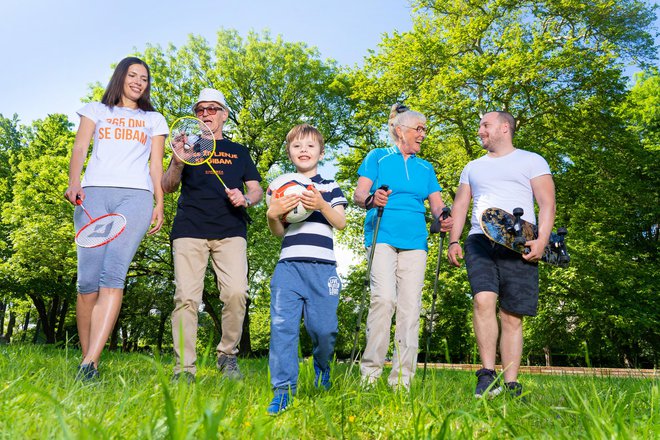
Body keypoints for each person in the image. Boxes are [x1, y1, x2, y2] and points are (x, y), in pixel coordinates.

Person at [64, 56, 167, 380]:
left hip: (135, 197)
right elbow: (80, 148)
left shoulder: (155, 120)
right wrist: (74, 181)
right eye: (133, 75)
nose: (139, 81)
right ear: (121, 77)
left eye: (145, 78)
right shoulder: (96, 110)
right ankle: (87, 358)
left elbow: (155, 167)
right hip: (93, 194)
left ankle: (89, 362)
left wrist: (159, 203)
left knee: (113, 275)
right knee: (87, 283)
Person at [447, 111, 556, 398]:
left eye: (486, 125)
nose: (480, 130)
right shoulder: (472, 167)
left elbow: (546, 204)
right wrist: (453, 240)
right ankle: (486, 375)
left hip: (520, 242)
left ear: (504, 127)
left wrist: (542, 240)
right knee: (483, 301)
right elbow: (460, 206)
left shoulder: (532, 160)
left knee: (511, 316)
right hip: (478, 240)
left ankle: (510, 384)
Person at [162, 88, 263, 382]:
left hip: (230, 231)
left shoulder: (239, 151)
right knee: (185, 298)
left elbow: (256, 190)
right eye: (200, 110)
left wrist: (245, 198)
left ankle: (227, 356)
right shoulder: (187, 147)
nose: (205, 114)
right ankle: (184, 369)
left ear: (224, 114)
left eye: (212, 109)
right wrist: (179, 159)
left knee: (236, 294)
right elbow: (168, 186)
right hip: (189, 229)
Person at [354, 103, 453, 390]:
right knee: (384, 300)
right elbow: (360, 194)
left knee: (411, 309)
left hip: (415, 242)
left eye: (424, 129)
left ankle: (402, 382)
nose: (423, 134)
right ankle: (370, 377)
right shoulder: (378, 157)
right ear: (400, 131)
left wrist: (444, 217)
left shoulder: (426, 167)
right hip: (382, 236)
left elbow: (437, 207)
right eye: (418, 129)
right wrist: (373, 199)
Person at [265, 124, 347, 414]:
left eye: (310, 146)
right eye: (297, 146)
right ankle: (283, 391)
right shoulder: (280, 187)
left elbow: (341, 222)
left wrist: (322, 205)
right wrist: (272, 215)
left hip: (323, 269)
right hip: (288, 267)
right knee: (282, 328)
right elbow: (277, 231)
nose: (304, 150)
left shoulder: (330, 186)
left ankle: (323, 368)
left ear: (321, 153)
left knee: (323, 330)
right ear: (289, 152)